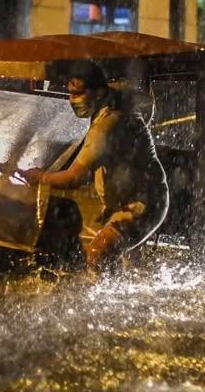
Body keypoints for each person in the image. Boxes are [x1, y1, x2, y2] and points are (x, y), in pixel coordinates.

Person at [20, 61, 169, 271]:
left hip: (142, 204)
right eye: (70, 93)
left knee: (97, 257)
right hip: (125, 200)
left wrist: (39, 177)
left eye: (79, 93)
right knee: (119, 267)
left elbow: (74, 178)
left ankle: (99, 303)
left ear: (98, 93)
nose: (72, 100)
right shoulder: (110, 103)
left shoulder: (108, 125)